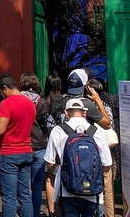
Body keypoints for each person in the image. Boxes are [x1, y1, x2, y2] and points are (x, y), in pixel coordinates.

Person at [45, 99, 111, 217]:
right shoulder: (96, 132)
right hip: (93, 192)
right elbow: (106, 164)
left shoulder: (58, 131)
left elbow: (49, 163)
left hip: (66, 191)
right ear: (84, 113)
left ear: (66, 113)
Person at [0, 74, 36, 217]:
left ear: (5, 88)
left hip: (9, 152)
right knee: (25, 195)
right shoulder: (29, 103)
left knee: (9, 197)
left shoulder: (6, 103)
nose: (0, 95)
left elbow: (0, 129)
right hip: (26, 150)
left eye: (0, 92)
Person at [19, 72, 48, 217]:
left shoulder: (16, 99)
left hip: (23, 144)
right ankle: (35, 213)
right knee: (36, 186)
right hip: (39, 145)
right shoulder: (41, 102)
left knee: (23, 185)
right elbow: (45, 125)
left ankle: (25, 212)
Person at [86, 78, 116, 217]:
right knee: (105, 189)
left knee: (104, 189)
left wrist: (97, 102)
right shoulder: (102, 107)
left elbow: (109, 125)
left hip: (98, 153)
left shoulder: (90, 108)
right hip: (103, 153)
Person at [43, 73, 62, 217]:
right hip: (62, 144)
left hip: (48, 144)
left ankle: (51, 211)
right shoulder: (63, 101)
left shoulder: (43, 102)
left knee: (50, 178)